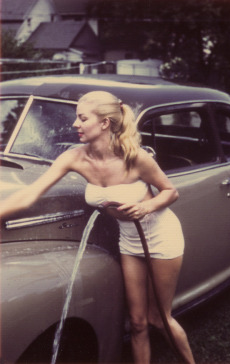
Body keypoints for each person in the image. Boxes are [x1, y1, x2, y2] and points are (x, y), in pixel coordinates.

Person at [0, 91, 195, 364]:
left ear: (104, 123)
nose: (74, 125)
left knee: (158, 318)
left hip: (160, 236)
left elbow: (170, 192)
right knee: (137, 323)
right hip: (129, 241)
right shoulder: (74, 158)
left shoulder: (135, 157)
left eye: (82, 118)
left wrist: (145, 207)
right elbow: (29, 194)